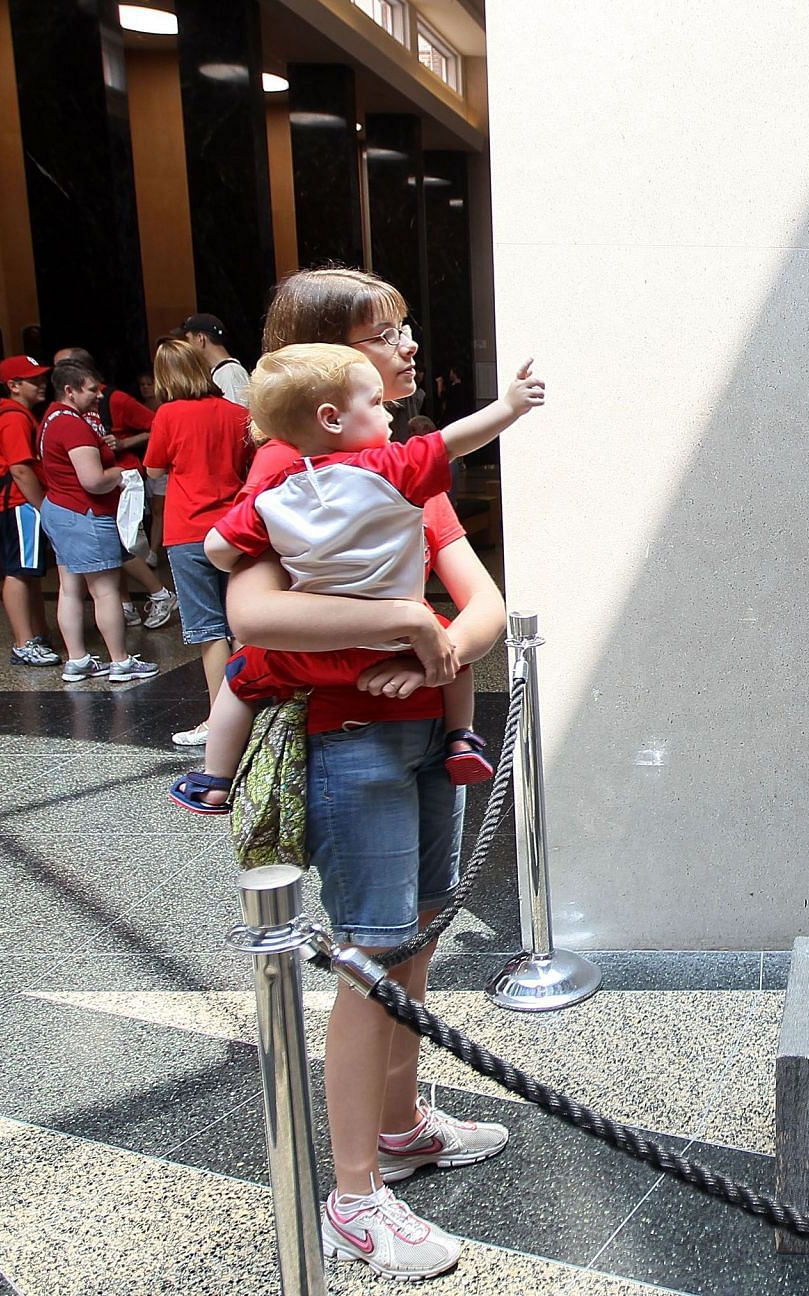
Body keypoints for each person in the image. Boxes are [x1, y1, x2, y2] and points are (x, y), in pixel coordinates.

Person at [222, 267, 512, 1281]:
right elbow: (253, 616)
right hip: (352, 737)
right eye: (383, 332)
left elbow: (480, 601)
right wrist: (404, 624)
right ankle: (354, 1195)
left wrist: (441, 644)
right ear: (324, 368)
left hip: (425, 725)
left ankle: (402, 1125)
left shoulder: (391, 464)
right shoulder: (286, 471)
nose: (408, 345)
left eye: (403, 325)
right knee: (369, 954)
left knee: (415, 937)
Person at [168, 343, 539, 813]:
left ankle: (214, 779)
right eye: (376, 401)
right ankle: (460, 738)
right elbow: (454, 440)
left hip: (314, 653)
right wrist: (509, 407)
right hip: (397, 655)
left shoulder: (271, 494)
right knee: (453, 653)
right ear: (331, 417)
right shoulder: (389, 469)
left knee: (240, 676)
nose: (406, 346)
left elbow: (217, 550)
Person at [142, 337, 252, 746]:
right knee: (243, 625)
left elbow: (153, 467)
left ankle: (220, 721)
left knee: (209, 632)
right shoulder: (235, 414)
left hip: (188, 531)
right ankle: (256, 709)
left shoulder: (169, 415)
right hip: (235, 530)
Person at [34, 360, 157, 684]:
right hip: (85, 514)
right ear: (69, 390)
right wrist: (120, 473)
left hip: (60, 509)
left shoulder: (49, 419)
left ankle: (78, 660)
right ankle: (121, 661)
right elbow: (93, 480)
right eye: (92, 390)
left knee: (70, 589)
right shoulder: (73, 425)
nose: (99, 396)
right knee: (105, 591)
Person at [53, 346, 178, 625]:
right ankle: (125, 605)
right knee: (110, 555)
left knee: (122, 545)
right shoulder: (66, 413)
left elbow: (158, 424)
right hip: (95, 487)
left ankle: (160, 593)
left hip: (120, 480)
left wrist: (124, 443)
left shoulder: (115, 399)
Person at [0, 356, 58, 667]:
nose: (42, 384)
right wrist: (42, 506)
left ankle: (35, 634)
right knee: (18, 571)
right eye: (34, 380)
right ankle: (24, 642)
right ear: (14, 386)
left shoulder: (17, 414)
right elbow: (20, 468)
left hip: (19, 503)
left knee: (28, 572)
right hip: (20, 504)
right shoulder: (14, 418)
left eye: (42, 378)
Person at [176, 313, 251, 406]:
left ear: (200, 338)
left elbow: (237, 417)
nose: (186, 346)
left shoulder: (230, 373)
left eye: (188, 340)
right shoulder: (222, 373)